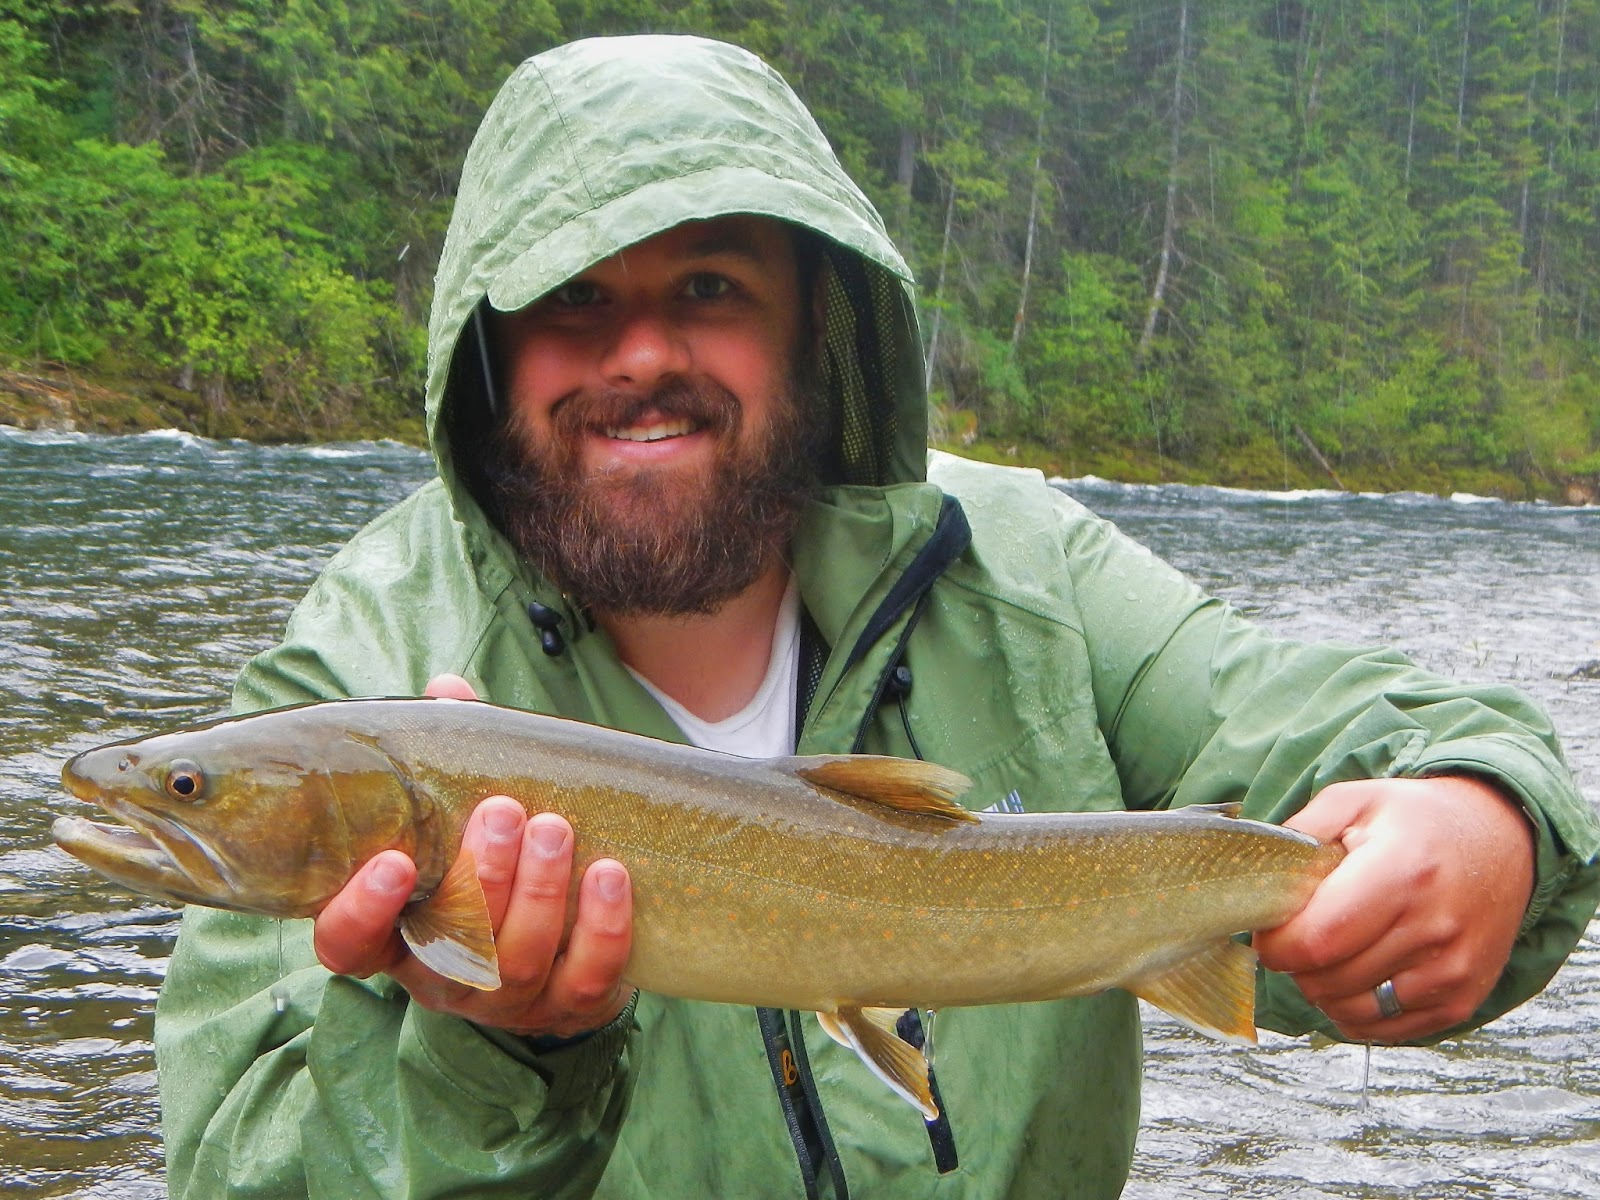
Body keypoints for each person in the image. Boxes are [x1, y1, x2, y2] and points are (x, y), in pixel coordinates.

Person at [153, 34, 1600, 1199]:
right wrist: (497, 1058)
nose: (640, 353)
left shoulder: (1013, 565)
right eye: (572, 299)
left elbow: (1341, 734)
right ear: (490, 349)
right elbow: (240, 1170)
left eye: (708, 287)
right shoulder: (362, 663)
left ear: (812, 330)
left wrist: (1486, 822)